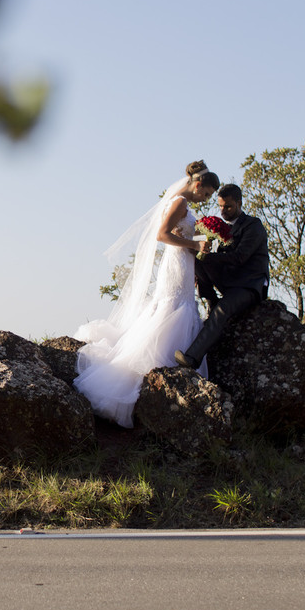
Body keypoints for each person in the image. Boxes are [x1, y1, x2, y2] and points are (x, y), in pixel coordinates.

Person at [73, 161, 220, 427]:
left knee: (179, 308)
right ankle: (152, 369)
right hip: (176, 265)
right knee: (173, 309)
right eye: (207, 194)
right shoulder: (179, 203)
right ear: (198, 185)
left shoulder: (183, 205)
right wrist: (193, 243)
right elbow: (162, 235)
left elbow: (181, 235)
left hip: (184, 264)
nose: (206, 199)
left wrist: (199, 244)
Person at [173, 183, 270, 370]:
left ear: (239, 203)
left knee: (222, 310)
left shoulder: (253, 226)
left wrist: (209, 257)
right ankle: (210, 300)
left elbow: (240, 257)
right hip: (231, 280)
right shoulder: (224, 227)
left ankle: (191, 359)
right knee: (199, 260)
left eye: (228, 207)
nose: (223, 211)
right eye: (221, 207)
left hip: (250, 284)